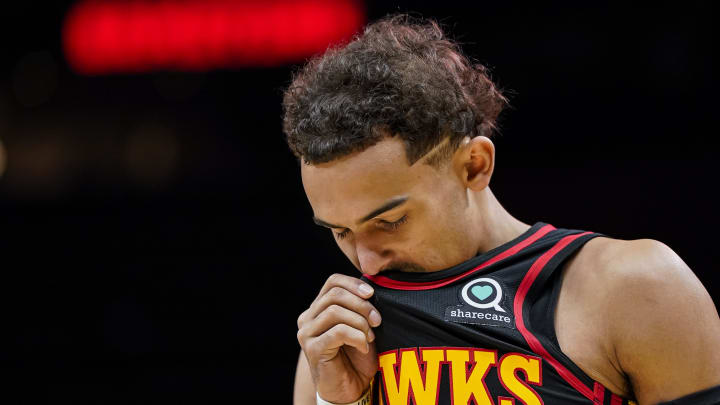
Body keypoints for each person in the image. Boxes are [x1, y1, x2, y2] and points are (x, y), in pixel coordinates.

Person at [283, 15, 720, 405]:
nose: (367, 263)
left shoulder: (632, 286)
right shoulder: (339, 340)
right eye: (340, 232)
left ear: (474, 166)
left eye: (390, 221)